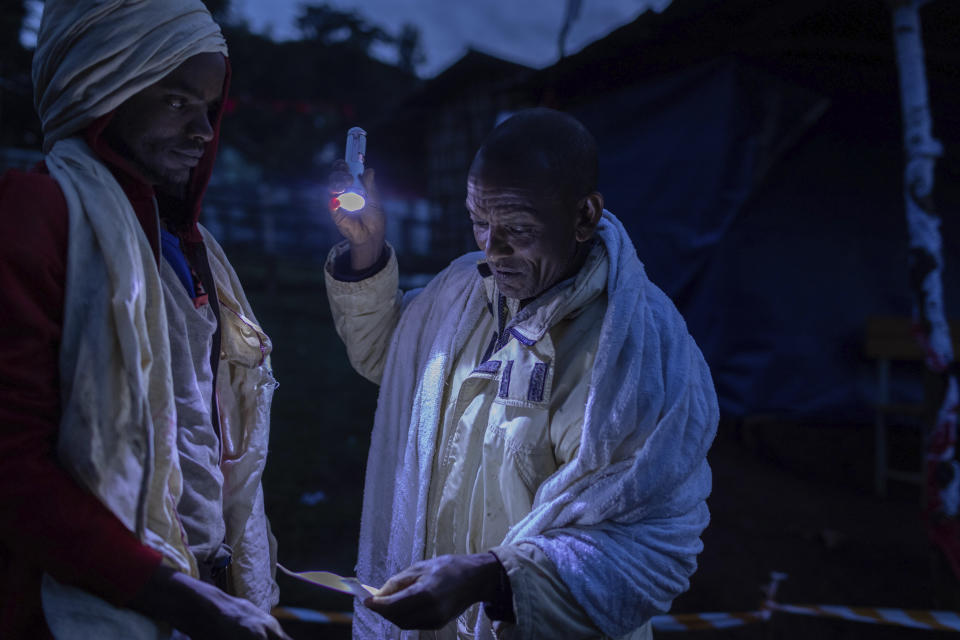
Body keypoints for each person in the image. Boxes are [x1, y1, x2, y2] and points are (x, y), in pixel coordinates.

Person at [325, 108, 719, 639]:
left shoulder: (638, 350)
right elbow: (390, 358)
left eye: (517, 228)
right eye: (479, 221)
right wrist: (366, 249)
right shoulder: (463, 288)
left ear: (584, 217)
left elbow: (653, 544)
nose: (492, 247)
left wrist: (495, 578)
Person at [0, 1, 288, 638]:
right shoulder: (38, 217)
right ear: (101, 90)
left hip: (196, 585)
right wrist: (177, 596)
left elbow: (206, 433)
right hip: (86, 608)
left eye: (210, 109)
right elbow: (13, 467)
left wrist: (241, 575)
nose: (204, 133)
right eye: (177, 102)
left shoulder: (189, 246)